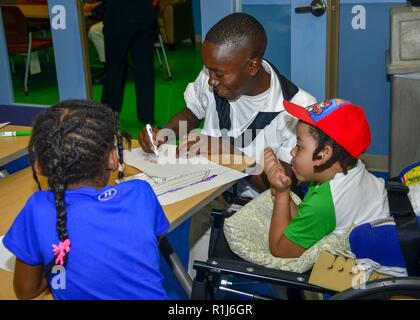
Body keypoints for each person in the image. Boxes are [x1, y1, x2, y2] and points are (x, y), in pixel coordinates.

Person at [138, 13, 316, 275]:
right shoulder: (215, 74)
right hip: (210, 200)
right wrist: (164, 131)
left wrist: (229, 153)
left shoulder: (296, 108)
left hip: (265, 211)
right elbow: (191, 112)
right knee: (198, 279)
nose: (211, 80)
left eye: (218, 73)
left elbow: (280, 186)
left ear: (252, 66)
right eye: (208, 70)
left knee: (288, 284)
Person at [2, 100, 169, 300]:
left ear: (41, 166)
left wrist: (60, 265)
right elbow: (150, 243)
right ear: (112, 159)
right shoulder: (140, 193)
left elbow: (25, 290)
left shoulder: (39, 207)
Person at [263, 98, 420, 258]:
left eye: (300, 146)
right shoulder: (349, 169)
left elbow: (280, 250)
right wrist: (283, 192)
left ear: (324, 154)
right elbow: (304, 220)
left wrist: (282, 195)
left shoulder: (325, 203)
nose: (292, 152)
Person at [101, 0, 158, 123]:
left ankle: (109, 115)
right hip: (145, 14)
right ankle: (146, 116)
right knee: (145, 69)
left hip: (118, 14)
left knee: (114, 68)